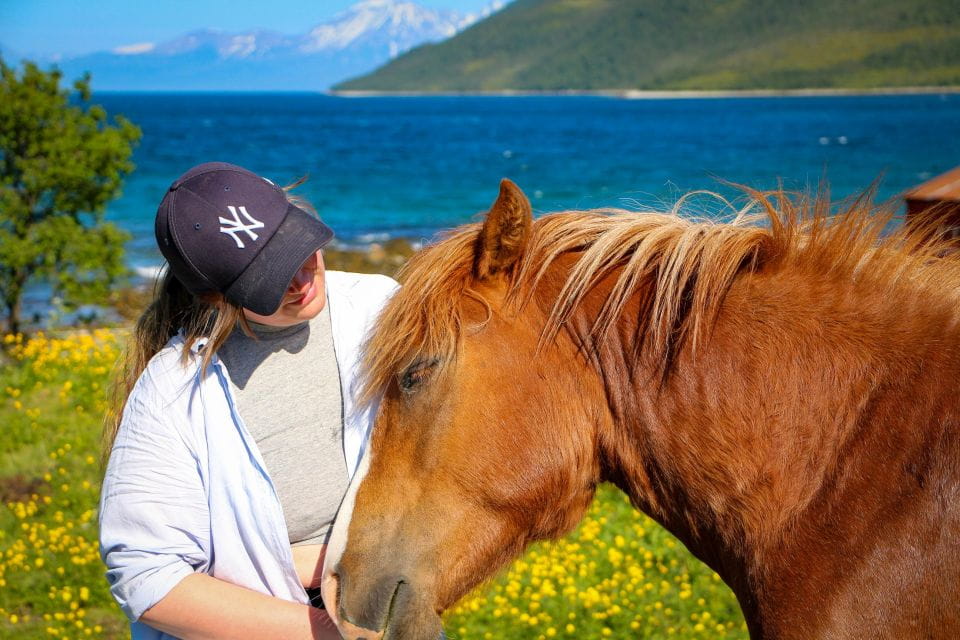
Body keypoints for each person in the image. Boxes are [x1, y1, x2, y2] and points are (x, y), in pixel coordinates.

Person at [99, 162, 398, 639]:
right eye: (271, 278)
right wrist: (327, 631)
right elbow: (148, 579)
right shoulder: (172, 393)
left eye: (299, 250)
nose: (301, 280)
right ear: (216, 298)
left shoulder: (378, 307)